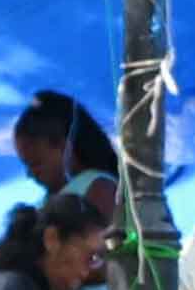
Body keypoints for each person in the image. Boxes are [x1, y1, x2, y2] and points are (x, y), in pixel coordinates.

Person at [12, 88, 124, 230]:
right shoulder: (52, 200)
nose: (30, 174)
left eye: (35, 163)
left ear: (65, 147)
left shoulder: (100, 187)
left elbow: (96, 243)